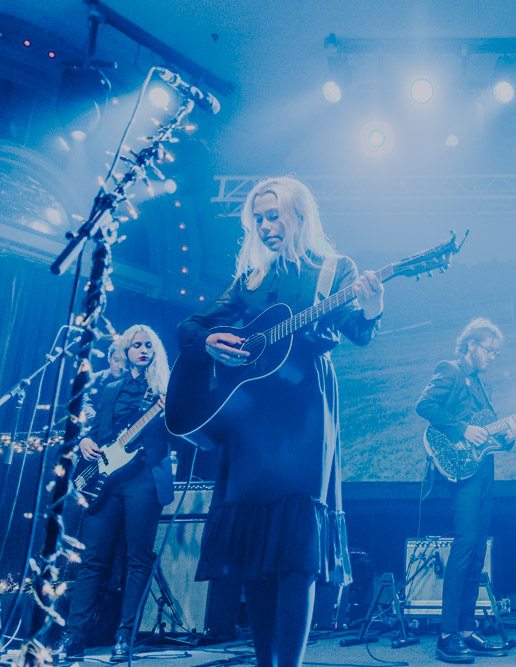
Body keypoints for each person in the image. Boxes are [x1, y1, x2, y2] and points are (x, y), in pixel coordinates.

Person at [175, 176, 384, 667]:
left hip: (305, 408)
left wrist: (373, 305)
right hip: (251, 416)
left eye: (274, 216)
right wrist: (208, 344)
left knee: (296, 547)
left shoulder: (335, 269)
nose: (266, 226)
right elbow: (191, 326)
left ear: (299, 215)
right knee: (252, 542)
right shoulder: (249, 278)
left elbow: (357, 331)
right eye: (259, 219)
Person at [54, 325, 176, 663]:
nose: (142, 349)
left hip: (145, 479)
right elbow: (96, 430)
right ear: (125, 350)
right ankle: (73, 638)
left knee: (137, 559)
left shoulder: (165, 391)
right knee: (92, 559)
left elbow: (180, 434)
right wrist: (84, 441)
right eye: (135, 345)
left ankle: (124, 638)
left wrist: (171, 414)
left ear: (155, 351)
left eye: (148, 345)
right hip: (105, 481)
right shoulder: (108, 389)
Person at [416, 318, 516, 664]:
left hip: (482, 472)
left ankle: (464, 629)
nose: (493, 356)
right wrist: (462, 428)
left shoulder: (477, 382)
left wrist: (508, 436)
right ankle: (446, 636)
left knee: (477, 551)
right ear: (470, 344)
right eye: (489, 350)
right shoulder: (449, 370)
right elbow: (425, 406)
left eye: (496, 352)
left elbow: (486, 433)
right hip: (461, 474)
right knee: (463, 549)